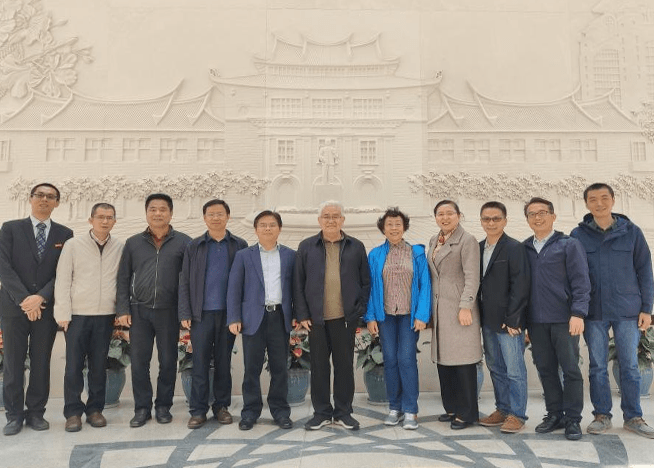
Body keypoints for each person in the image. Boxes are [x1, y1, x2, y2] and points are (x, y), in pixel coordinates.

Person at [570, 183, 654, 438]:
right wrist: (576, 310)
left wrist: (647, 309)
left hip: (627, 309)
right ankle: (601, 415)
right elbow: (573, 274)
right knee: (597, 366)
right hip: (593, 310)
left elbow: (645, 271)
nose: (599, 203)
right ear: (586, 204)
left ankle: (633, 416)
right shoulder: (578, 235)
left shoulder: (632, 232)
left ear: (613, 200)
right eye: (593, 199)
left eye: (604, 198)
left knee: (629, 365)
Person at [0, 183, 74, 436]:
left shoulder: (65, 233)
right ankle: (14, 415)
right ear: (30, 199)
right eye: (39, 195)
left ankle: (36, 413)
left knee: (41, 362)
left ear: (57, 203)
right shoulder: (10, 229)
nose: (44, 199)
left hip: (46, 308)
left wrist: (41, 296)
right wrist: (25, 299)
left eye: (50, 196)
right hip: (14, 307)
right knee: (13, 363)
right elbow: (3, 267)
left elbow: (63, 272)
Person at [294, 201, 370, 431]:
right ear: (319, 220)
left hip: (345, 319)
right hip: (316, 319)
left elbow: (365, 282)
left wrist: (358, 311)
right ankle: (322, 413)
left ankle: (343, 412)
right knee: (319, 367)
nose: (331, 220)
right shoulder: (307, 246)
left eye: (335, 216)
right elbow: (298, 283)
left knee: (344, 367)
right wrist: (302, 313)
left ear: (343, 220)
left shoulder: (356, 246)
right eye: (326, 216)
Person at [116, 193, 191, 428]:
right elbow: (123, 277)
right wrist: (122, 309)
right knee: (140, 363)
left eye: (162, 209)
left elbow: (188, 281)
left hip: (169, 312)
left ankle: (163, 407)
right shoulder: (133, 243)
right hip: (139, 311)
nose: (158, 213)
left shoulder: (184, 242)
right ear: (147, 213)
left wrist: (184, 312)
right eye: (153, 209)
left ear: (171, 213)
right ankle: (141, 408)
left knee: (168, 362)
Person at [523, 197, 590, 441]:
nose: (537, 217)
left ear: (553, 216)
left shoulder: (569, 245)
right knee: (546, 369)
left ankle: (572, 419)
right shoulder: (524, 248)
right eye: (532, 214)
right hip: (536, 322)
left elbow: (581, 281)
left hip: (564, 319)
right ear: (527, 219)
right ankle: (554, 414)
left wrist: (578, 313)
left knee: (570, 369)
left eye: (542, 212)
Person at [54, 203, 124, 432]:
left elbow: (122, 281)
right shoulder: (74, 245)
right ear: (90, 220)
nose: (105, 221)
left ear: (114, 221)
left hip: (105, 315)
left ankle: (95, 410)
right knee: (74, 366)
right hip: (77, 315)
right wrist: (62, 313)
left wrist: (120, 311)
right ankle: (73, 412)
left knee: (98, 365)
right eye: (100, 217)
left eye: (109, 217)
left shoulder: (120, 247)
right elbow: (63, 279)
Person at [178, 199, 247, 429]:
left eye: (220, 214)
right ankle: (198, 410)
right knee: (199, 362)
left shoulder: (239, 244)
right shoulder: (194, 246)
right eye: (211, 214)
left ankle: (221, 407)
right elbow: (184, 280)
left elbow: (245, 281)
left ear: (228, 216)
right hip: (201, 315)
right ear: (204, 218)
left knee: (223, 361)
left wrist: (240, 314)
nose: (215, 218)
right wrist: (185, 311)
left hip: (228, 315)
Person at [227, 210, 295, 431]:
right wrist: (234, 317)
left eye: (272, 224)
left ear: (279, 229)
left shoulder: (290, 255)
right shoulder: (243, 256)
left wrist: (298, 316)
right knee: (251, 368)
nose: (267, 228)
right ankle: (250, 412)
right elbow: (234, 288)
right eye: (263, 225)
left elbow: (296, 288)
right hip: (252, 318)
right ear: (256, 229)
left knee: (279, 368)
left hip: (279, 317)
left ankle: (280, 411)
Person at [364, 208, 430, 430]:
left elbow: (425, 285)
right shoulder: (375, 255)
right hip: (385, 316)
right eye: (389, 224)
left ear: (404, 227)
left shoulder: (416, 253)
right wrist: (370, 317)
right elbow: (370, 288)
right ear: (383, 228)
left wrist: (422, 315)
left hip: (409, 317)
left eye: (398, 224)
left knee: (406, 359)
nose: (394, 228)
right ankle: (395, 407)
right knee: (390, 359)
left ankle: (410, 409)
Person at [476, 201, 530, 433]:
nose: (491, 223)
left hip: (509, 322)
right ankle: (503, 409)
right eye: (486, 219)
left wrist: (514, 319)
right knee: (496, 367)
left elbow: (521, 285)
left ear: (505, 221)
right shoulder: (478, 248)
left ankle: (517, 415)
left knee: (514, 370)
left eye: (496, 218)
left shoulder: (514, 247)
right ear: (481, 221)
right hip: (487, 320)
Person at [427, 200, 481, 430]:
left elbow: (472, 276)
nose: (445, 217)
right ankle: (451, 408)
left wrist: (466, 305)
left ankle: (467, 413)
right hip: (440, 309)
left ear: (459, 215)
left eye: (450, 213)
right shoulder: (434, 240)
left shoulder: (467, 240)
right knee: (445, 361)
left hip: (460, 310)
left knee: (463, 362)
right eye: (440, 214)